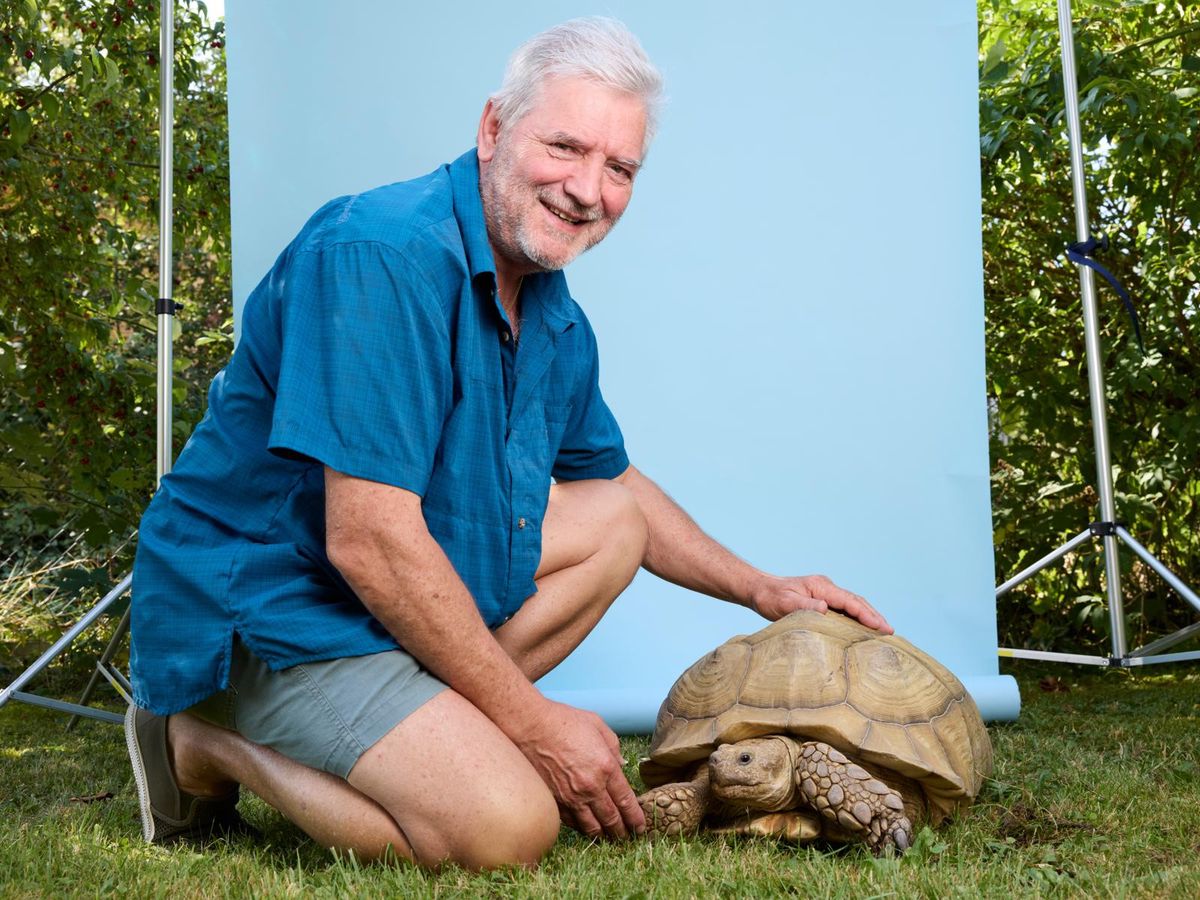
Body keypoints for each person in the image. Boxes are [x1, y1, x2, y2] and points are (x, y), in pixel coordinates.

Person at [124, 17, 892, 871]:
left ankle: (428, 729)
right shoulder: (379, 254)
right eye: (565, 146)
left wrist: (762, 588)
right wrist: (534, 725)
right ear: (494, 128)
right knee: (509, 829)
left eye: (620, 168)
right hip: (269, 604)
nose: (587, 189)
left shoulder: (555, 316)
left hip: (363, 600)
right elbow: (368, 538)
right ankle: (199, 735)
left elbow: (617, 488)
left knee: (610, 521)